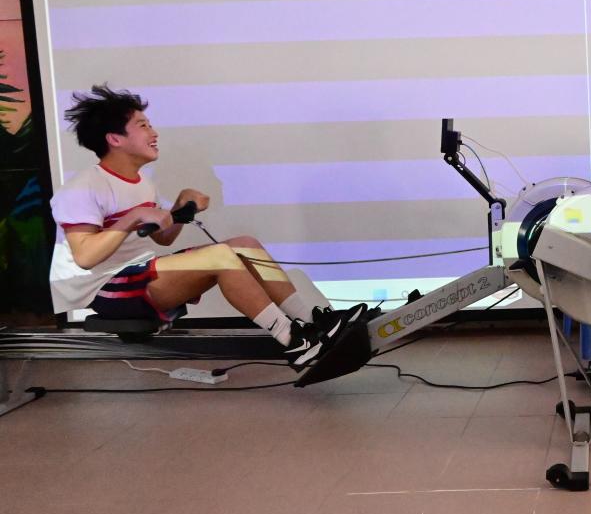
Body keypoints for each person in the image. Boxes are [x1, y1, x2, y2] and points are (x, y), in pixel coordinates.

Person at [49, 85, 364, 370]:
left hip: (138, 274)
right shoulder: (83, 187)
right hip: (106, 289)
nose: (154, 132)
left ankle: (315, 322)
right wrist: (133, 217)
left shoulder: (142, 183)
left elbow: (162, 238)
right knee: (220, 258)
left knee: (245, 244)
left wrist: (178, 209)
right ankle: (293, 341)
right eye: (143, 125)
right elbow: (85, 257)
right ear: (115, 139)